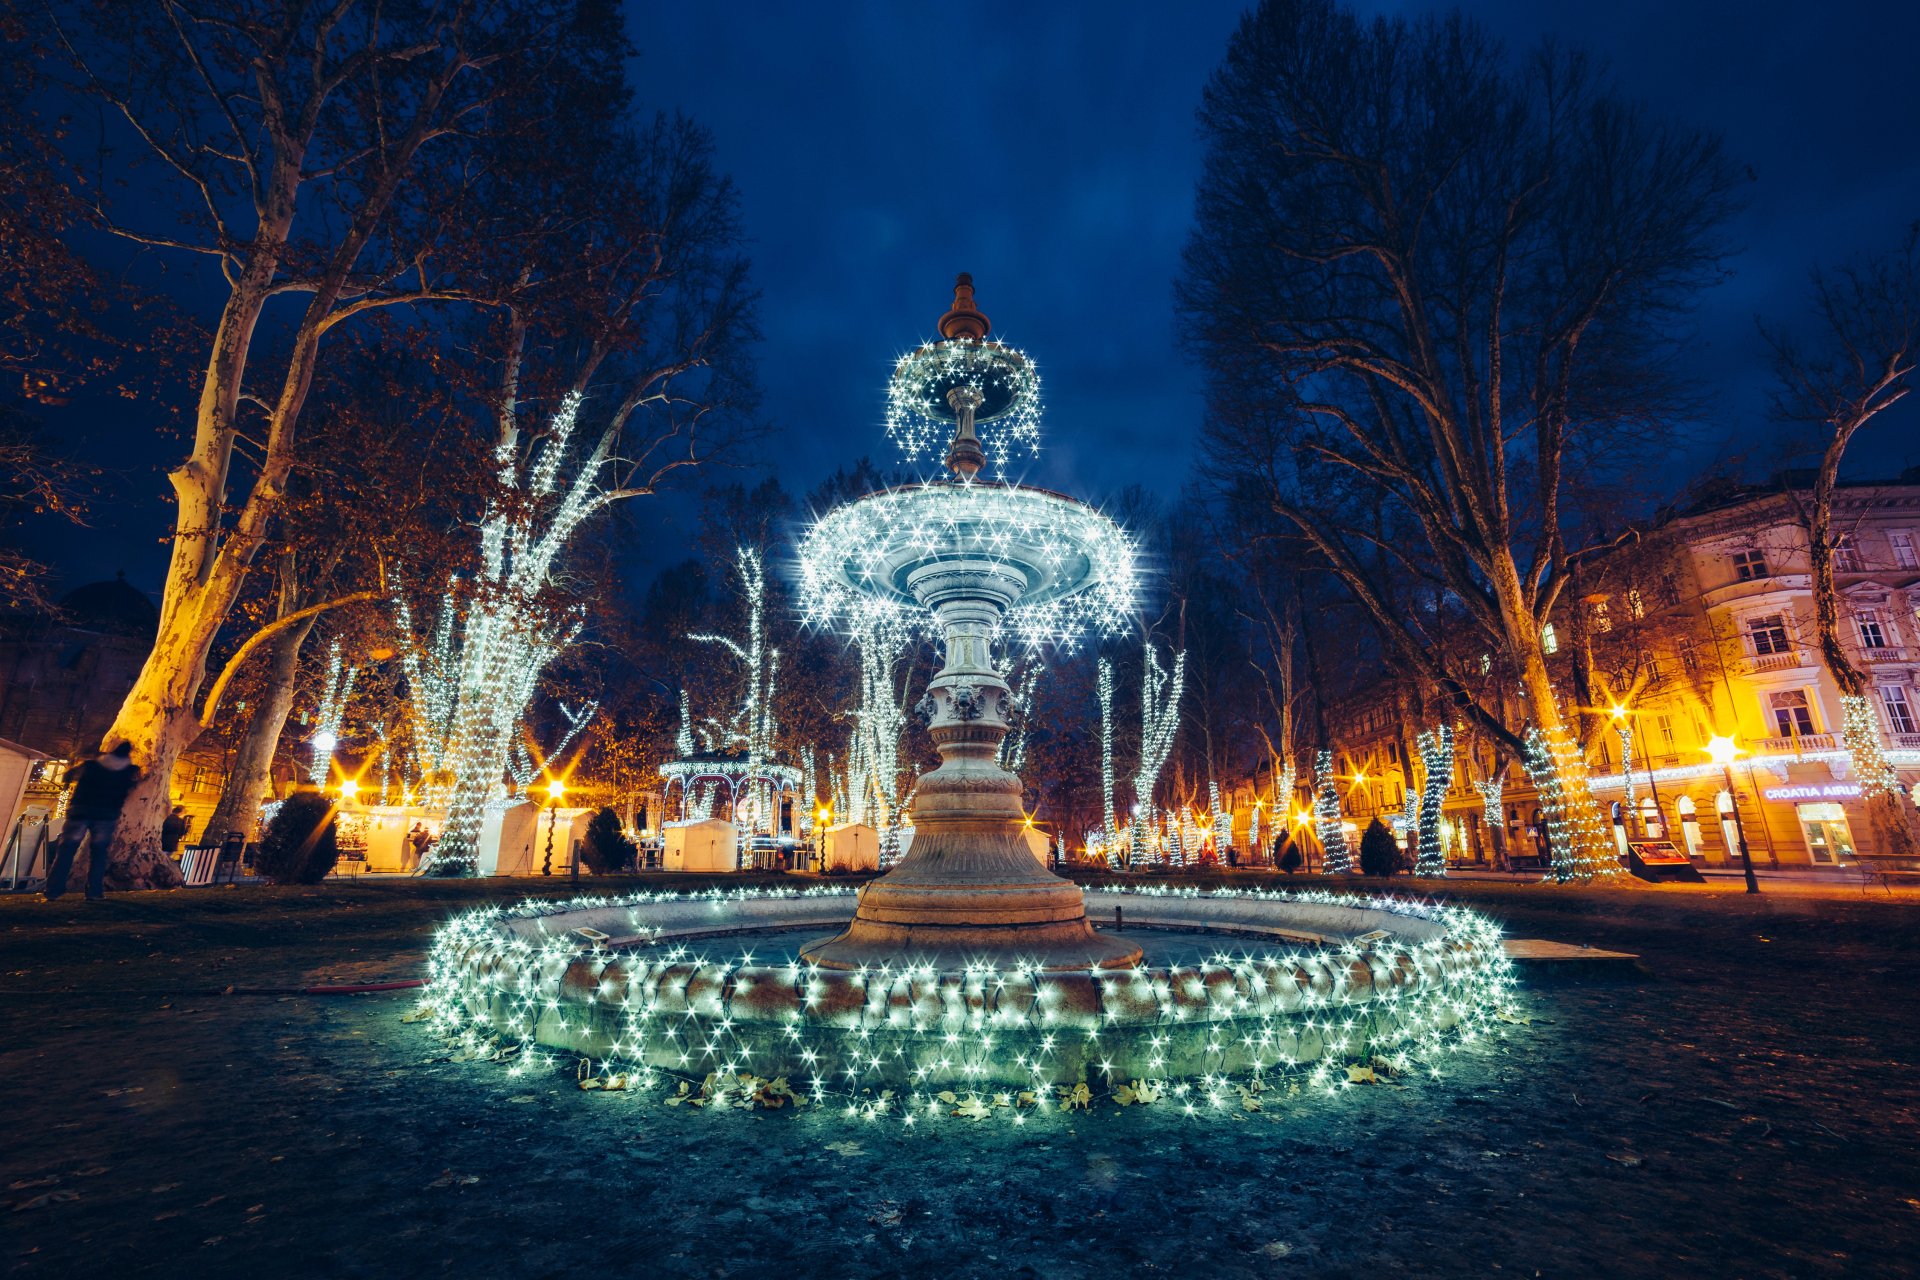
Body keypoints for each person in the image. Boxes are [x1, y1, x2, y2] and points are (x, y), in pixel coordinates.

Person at [45, 742, 141, 901]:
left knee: (66, 850)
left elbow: (67, 776)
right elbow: (133, 786)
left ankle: (53, 890)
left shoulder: (91, 765)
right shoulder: (129, 771)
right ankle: (94, 891)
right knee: (99, 854)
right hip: (106, 815)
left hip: (80, 811)